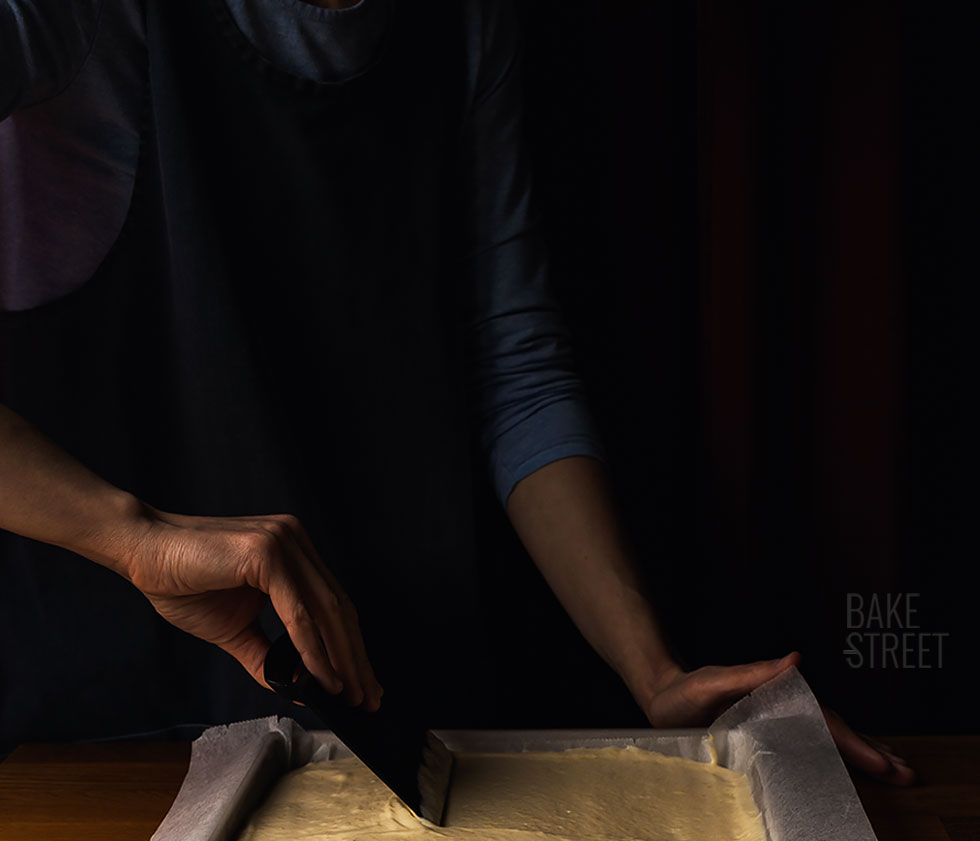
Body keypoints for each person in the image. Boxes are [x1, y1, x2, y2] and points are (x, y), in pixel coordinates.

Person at [0, 0, 913, 783]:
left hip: (377, 717)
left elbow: (516, 367)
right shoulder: (69, 19)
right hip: (100, 744)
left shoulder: (467, 21)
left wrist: (655, 676)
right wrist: (133, 538)